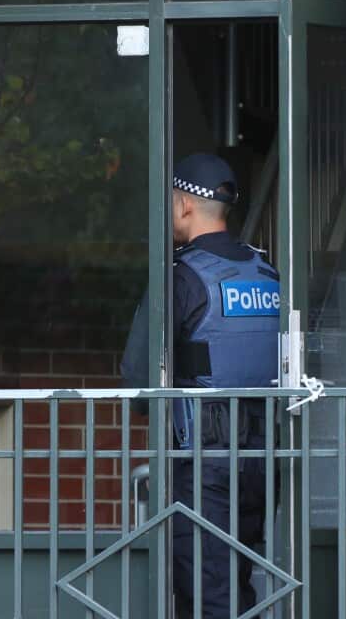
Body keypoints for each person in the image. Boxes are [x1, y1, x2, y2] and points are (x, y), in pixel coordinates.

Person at [120, 154, 280, 618]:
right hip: (261, 458)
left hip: (203, 462)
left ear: (184, 205)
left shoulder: (180, 276)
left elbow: (137, 377)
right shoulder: (266, 274)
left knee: (207, 590)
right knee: (236, 584)